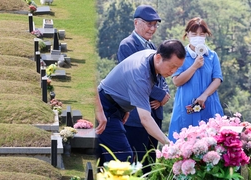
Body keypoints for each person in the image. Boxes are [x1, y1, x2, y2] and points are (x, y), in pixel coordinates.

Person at [96, 39, 186, 167]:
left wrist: (125, 109)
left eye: (178, 68)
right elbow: (145, 119)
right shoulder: (141, 74)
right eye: (172, 66)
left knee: (103, 159)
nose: (174, 71)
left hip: (116, 107)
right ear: (159, 57)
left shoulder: (151, 56)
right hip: (105, 108)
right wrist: (169, 144)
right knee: (124, 160)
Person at [117, 5, 170, 174]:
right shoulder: (127, 46)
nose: (152, 28)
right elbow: (134, 79)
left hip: (154, 114)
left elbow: (161, 75)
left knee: (149, 165)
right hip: (136, 117)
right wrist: (160, 95)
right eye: (149, 24)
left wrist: (165, 93)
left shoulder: (153, 46)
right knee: (135, 165)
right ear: (136, 23)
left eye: (155, 25)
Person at [168, 17, 224, 143]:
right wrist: (194, 66)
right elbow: (176, 81)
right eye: (194, 34)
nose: (198, 37)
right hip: (186, 106)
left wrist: (204, 95)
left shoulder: (212, 55)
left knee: (212, 144)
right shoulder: (180, 55)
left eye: (202, 34)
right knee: (183, 145)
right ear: (187, 34)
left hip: (208, 104)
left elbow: (217, 79)